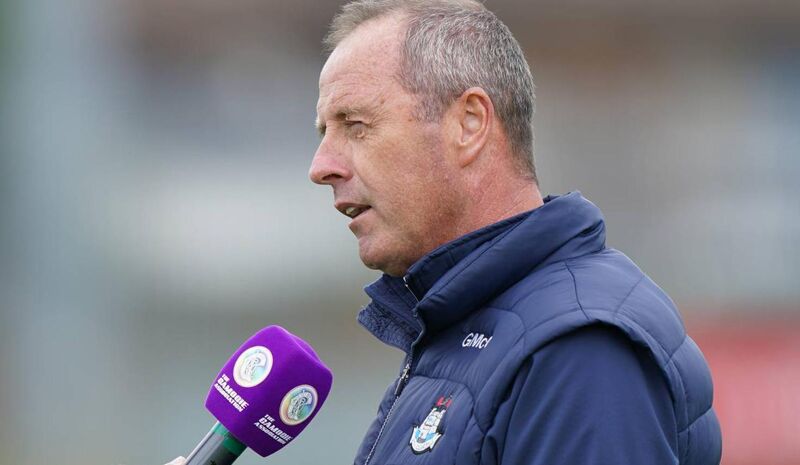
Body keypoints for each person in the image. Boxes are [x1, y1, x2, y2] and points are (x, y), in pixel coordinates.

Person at [168, 1, 721, 464]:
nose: (321, 165)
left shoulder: (577, 349)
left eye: (356, 125)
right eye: (324, 132)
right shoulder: (462, 328)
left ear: (469, 124)